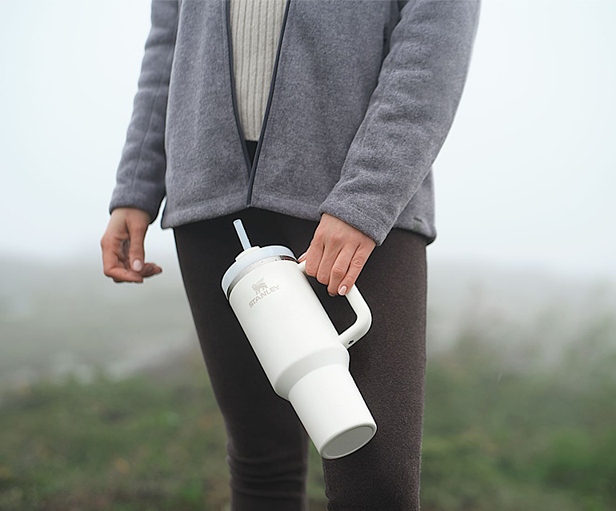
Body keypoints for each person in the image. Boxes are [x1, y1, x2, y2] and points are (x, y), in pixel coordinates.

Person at [100, 1, 480, 509]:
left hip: (353, 201)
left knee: (375, 480)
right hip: (209, 198)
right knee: (262, 467)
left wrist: (367, 197)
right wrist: (136, 185)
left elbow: (434, 43)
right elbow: (168, 40)